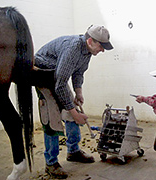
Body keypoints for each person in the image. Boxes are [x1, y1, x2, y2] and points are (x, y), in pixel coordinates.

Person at [34, 25, 113, 179]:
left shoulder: (88, 51)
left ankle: (73, 151)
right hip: (42, 74)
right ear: (90, 41)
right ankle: (51, 163)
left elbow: (78, 72)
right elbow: (60, 84)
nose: (102, 50)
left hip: (57, 77)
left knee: (72, 113)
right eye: (101, 46)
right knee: (53, 119)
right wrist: (74, 112)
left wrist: (78, 93)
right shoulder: (72, 48)